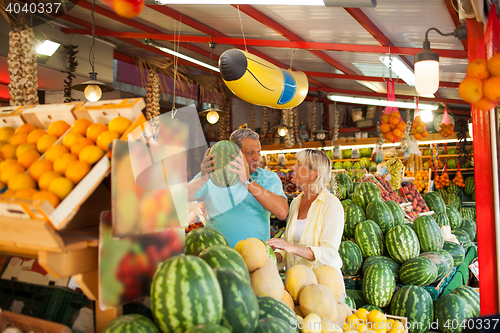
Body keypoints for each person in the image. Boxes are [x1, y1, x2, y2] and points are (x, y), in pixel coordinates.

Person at [187, 128, 289, 247]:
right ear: (233, 154)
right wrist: (203, 178)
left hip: (257, 257)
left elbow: (282, 212)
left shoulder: (268, 177)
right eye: (251, 153)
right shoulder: (212, 176)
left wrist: (248, 182)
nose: (257, 157)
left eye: (259, 152)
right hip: (218, 254)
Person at [267, 149, 344, 272]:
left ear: (313, 175)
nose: (293, 167)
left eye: (299, 164)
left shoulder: (331, 205)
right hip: (295, 281)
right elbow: (289, 241)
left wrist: (292, 248)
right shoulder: (295, 203)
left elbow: (329, 253)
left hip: (322, 282)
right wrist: (275, 256)